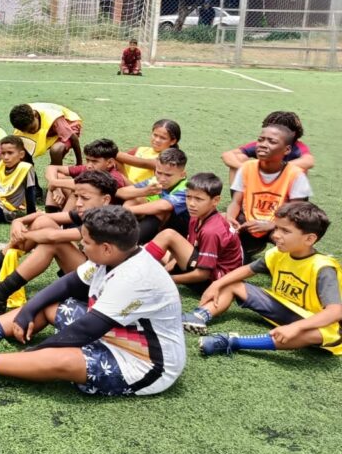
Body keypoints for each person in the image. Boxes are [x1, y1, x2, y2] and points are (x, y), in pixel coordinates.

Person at [0, 206, 186, 398]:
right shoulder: (115, 256)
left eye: (86, 242)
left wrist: (36, 353)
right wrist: (29, 310)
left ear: (107, 247)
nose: (81, 246)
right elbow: (69, 284)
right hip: (113, 333)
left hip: (142, 363)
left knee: (61, 360)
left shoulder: (135, 277)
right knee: (49, 305)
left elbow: (87, 330)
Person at [182, 202, 342, 358]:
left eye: (285, 231)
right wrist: (217, 284)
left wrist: (296, 327)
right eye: (276, 228)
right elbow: (247, 270)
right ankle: (198, 317)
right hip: (282, 306)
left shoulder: (323, 268)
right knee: (232, 283)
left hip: (314, 321)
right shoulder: (277, 254)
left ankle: (233, 342)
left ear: (309, 239)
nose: (275, 235)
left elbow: (335, 312)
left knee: (316, 334)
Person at [0, 170, 119, 312]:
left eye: (85, 198)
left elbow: (53, 237)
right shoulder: (92, 211)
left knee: (53, 244)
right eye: (77, 197)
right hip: (89, 274)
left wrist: (25, 235)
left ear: (105, 200)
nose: (79, 203)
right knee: (42, 222)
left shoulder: (108, 220)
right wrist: (18, 221)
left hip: (99, 289)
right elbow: (43, 216)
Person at [225, 123, 311, 259]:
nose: (263, 145)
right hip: (248, 222)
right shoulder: (247, 168)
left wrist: (271, 225)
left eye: (272, 142)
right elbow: (236, 202)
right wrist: (230, 218)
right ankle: (247, 249)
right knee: (218, 223)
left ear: (287, 150)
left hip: (279, 224)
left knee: (297, 236)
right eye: (260, 140)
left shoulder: (296, 175)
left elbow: (296, 213)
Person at [144, 172, 242, 288]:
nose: (191, 204)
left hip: (215, 282)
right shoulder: (196, 216)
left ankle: (136, 273)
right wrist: (167, 270)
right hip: (202, 266)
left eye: (198, 199)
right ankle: (139, 270)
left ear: (215, 200)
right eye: (188, 197)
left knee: (168, 235)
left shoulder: (211, 231)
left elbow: (203, 274)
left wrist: (166, 279)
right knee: (149, 247)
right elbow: (191, 249)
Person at [116, 147, 189, 243]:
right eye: (159, 172)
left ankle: (129, 243)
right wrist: (144, 191)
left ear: (182, 174)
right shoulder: (154, 180)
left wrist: (126, 210)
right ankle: (117, 233)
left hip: (178, 233)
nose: (162, 179)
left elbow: (164, 206)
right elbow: (120, 192)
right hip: (156, 225)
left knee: (160, 210)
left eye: (168, 175)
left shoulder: (187, 189)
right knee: (136, 198)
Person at [220, 110, 315, 179]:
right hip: (261, 182)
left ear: (293, 133)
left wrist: (276, 169)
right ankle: (240, 200)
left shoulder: (297, 147)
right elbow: (227, 155)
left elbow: (309, 161)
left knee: (301, 169)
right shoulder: (260, 144)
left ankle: (294, 201)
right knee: (240, 158)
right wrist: (245, 168)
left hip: (284, 186)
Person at [43, 138, 129, 210]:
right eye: (87, 160)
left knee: (78, 191)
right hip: (84, 208)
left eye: (95, 161)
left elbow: (86, 186)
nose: (89, 165)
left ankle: (61, 221)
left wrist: (54, 183)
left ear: (109, 163)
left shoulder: (115, 177)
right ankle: (52, 214)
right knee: (59, 176)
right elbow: (52, 168)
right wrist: (56, 188)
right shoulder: (90, 169)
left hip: (102, 215)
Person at [8, 102, 83, 166]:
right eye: (26, 131)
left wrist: (79, 164)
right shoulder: (21, 122)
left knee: (56, 150)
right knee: (20, 152)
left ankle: (56, 172)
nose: (31, 132)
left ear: (35, 116)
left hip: (69, 125)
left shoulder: (52, 117)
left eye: (32, 128)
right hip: (48, 131)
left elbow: (73, 138)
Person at [117, 118, 181, 184]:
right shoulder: (140, 149)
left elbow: (144, 163)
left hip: (143, 189)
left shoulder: (171, 159)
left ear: (173, 141)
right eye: (155, 135)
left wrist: (112, 151)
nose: (157, 140)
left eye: (163, 138)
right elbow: (120, 157)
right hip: (127, 186)